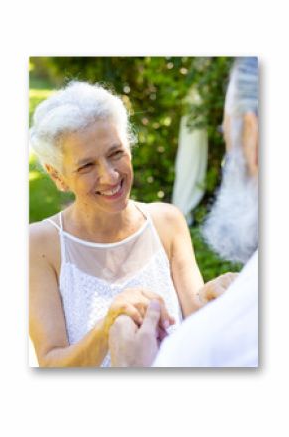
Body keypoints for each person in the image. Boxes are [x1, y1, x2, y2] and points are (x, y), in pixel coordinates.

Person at [29, 81, 232, 367]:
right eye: (87, 166)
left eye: (116, 153)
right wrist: (107, 327)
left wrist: (219, 297)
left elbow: (197, 321)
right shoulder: (38, 245)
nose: (110, 176)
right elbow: (50, 365)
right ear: (58, 176)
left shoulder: (168, 222)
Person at [108, 56, 258, 367]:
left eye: (225, 127)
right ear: (56, 175)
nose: (110, 176)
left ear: (252, 138)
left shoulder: (204, 349)